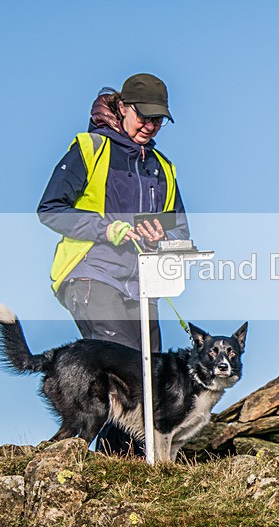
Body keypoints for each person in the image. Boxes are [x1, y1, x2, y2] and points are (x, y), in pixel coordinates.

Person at [38, 73, 190, 455]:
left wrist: (166, 240)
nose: (150, 126)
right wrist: (109, 228)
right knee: (122, 373)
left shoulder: (163, 167)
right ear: (122, 108)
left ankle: (122, 465)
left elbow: (180, 229)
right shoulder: (89, 148)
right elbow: (50, 210)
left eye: (158, 120)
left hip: (144, 285)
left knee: (149, 380)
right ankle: (96, 458)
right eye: (144, 116)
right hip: (92, 274)